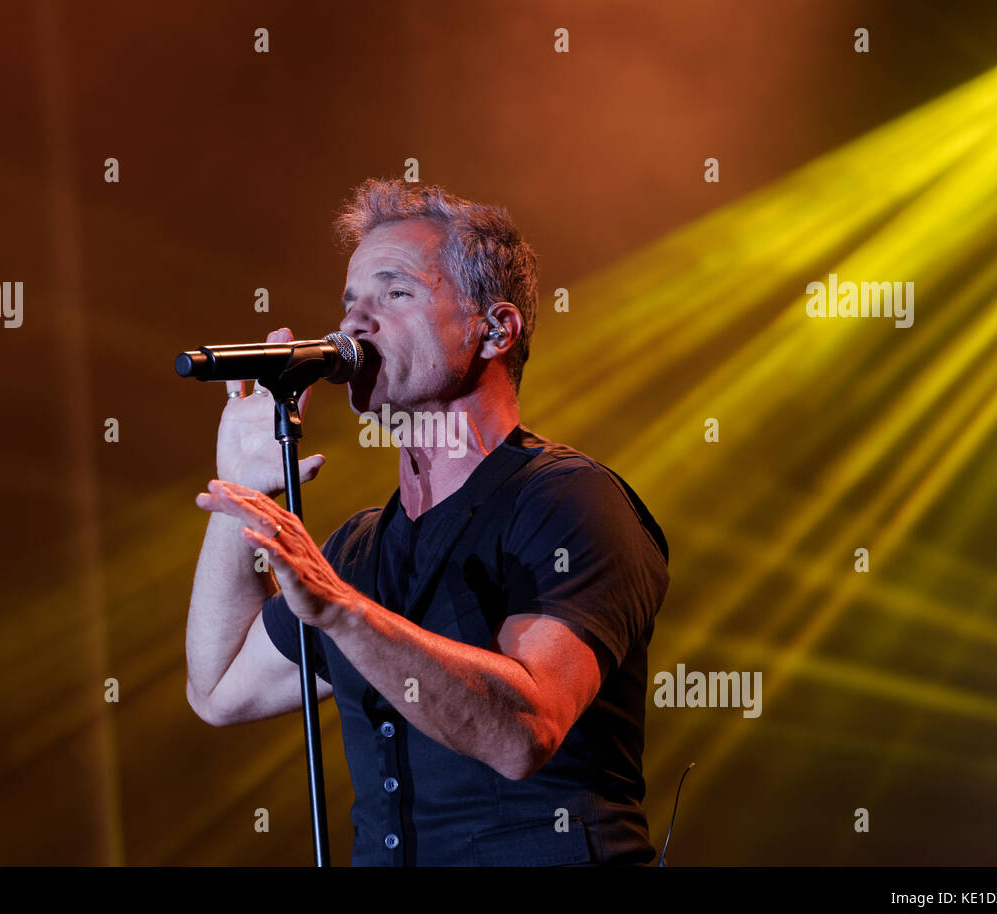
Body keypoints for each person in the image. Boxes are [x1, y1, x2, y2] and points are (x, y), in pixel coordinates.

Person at [185, 178, 670, 866]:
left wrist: (342, 612)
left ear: (495, 329)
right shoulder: (358, 549)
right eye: (350, 300)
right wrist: (237, 489)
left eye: (396, 293)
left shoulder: (568, 500)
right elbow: (218, 687)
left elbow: (525, 732)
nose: (353, 323)